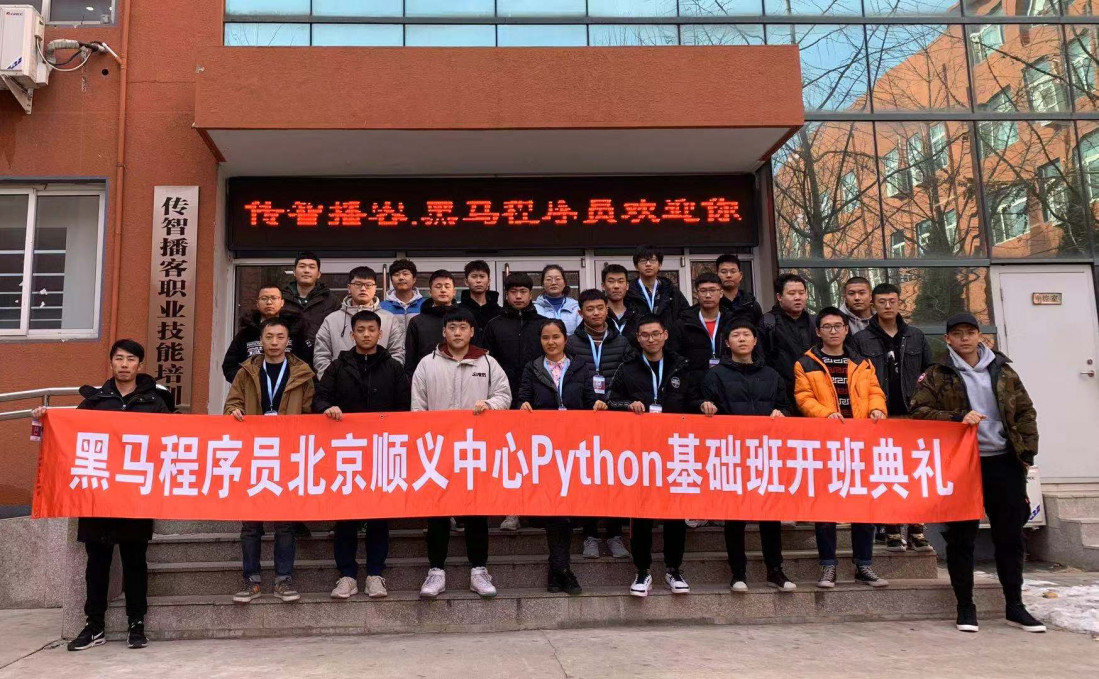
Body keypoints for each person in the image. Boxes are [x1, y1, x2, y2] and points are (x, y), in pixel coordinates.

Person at [33, 340, 173, 651]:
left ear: (140, 364)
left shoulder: (155, 401)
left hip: (135, 494)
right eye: (119, 358)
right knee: (97, 563)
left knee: (135, 561)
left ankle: (137, 624)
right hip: (97, 495)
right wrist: (45, 419)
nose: (124, 364)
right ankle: (94, 626)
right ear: (111, 363)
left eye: (131, 359)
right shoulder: (94, 401)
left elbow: (174, 439)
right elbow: (69, 434)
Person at [910, 313, 1045, 634]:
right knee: (961, 537)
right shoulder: (937, 374)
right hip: (961, 466)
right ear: (948, 339)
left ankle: (1015, 605)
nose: (965, 339)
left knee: (1010, 536)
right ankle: (965, 606)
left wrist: (1026, 454)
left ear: (979, 335)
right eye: (958, 334)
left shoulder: (1003, 370)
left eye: (970, 332)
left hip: (1004, 462)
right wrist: (957, 417)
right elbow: (919, 412)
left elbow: (1025, 411)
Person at [412, 307, 512, 599]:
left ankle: (479, 570)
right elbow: (418, 408)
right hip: (438, 450)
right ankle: (436, 571)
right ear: (444, 332)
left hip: (474, 449)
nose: (457, 333)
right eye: (452, 327)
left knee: (476, 511)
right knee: (438, 512)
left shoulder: (488, 362)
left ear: (472, 332)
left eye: (463, 327)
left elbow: (504, 396)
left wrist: (489, 405)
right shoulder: (427, 364)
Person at [314, 310, 410, 600]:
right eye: (360, 329)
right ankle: (346, 575)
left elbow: (405, 408)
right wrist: (327, 408)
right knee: (345, 515)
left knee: (379, 516)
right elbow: (320, 397)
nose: (366, 334)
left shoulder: (393, 368)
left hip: (381, 452)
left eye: (371, 329)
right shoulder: (338, 366)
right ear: (352, 333)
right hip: (346, 453)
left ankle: (375, 574)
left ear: (380, 334)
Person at [793, 307, 889, 589]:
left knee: (864, 506)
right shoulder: (806, 363)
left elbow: (875, 392)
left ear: (847, 330)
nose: (833, 331)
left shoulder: (862, 362)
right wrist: (825, 414)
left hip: (859, 443)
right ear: (818, 331)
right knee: (825, 507)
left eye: (838, 326)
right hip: (824, 444)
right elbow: (803, 397)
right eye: (827, 326)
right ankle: (828, 566)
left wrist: (877, 409)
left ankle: (864, 564)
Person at [224, 317, 315, 605]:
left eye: (280, 337)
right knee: (251, 524)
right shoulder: (246, 372)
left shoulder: (302, 373)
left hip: (288, 454)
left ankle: (283, 579)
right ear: (260, 341)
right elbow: (232, 404)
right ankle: (250, 580)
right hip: (254, 454)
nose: (274, 342)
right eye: (269, 337)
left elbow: (311, 413)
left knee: (285, 523)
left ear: (288, 341)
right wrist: (234, 412)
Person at [700, 320, 795, 592]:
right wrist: (705, 406)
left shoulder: (771, 375)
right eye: (736, 335)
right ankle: (738, 572)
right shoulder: (715, 375)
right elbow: (704, 404)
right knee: (735, 515)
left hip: (765, 453)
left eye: (746, 335)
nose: (741, 339)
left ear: (755, 341)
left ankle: (775, 570)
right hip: (732, 453)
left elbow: (785, 406)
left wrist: (781, 413)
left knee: (770, 515)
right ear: (727, 343)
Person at [606, 315, 695, 597]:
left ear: (665, 334)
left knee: (675, 512)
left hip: (675, 449)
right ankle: (642, 570)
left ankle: (673, 569)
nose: (651, 339)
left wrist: (704, 405)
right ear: (638, 338)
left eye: (656, 334)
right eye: (645, 335)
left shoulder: (681, 366)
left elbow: (693, 401)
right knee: (641, 512)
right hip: (640, 451)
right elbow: (611, 400)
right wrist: (628, 404)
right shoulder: (628, 368)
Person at [517, 319, 605, 595]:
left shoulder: (580, 366)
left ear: (565, 339)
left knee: (567, 510)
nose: (551, 342)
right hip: (545, 450)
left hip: (575, 448)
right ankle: (563, 570)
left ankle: (558, 570)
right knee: (555, 509)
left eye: (556, 337)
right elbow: (523, 397)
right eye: (545, 338)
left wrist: (597, 404)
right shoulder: (532, 367)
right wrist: (523, 405)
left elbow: (589, 398)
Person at [851, 282, 934, 552]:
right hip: (879, 416)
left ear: (900, 303)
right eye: (882, 301)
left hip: (913, 415)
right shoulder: (861, 339)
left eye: (892, 301)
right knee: (886, 472)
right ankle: (891, 528)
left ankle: (917, 528)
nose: (888, 306)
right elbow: (856, 378)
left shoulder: (916, 336)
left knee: (915, 472)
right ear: (873, 304)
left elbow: (930, 373)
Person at [565, 289, 632, 558]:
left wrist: (610, 401)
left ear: (607, 309)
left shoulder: (622, 342)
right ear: (580, 313)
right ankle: (590, 535)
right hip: (584, 418)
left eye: (600, 308)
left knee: (614, 477)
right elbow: (569, 378)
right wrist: (591, 401)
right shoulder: (571, 343)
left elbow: (627, 377)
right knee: (588, 478)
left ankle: (614, 535)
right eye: (589, 309)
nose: (595, 313)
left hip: (615, 417)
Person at [481, 272, 546, 531]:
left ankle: (538, 508)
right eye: (513, 292)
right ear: (506, 295)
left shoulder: (543, 324)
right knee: (509, 456)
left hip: (538, 400)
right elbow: (485, 364)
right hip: (503, 400)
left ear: (531, 294)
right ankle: (511, 510)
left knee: (538, 456)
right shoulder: (494, 325)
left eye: (523, 291)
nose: (518, 296)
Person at [313, 266, 405, 379]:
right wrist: (333, 380)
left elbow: (397, 353)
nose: (363, 289)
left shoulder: (389, 319)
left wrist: (385, 379)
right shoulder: (332, 320)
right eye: (358, 284)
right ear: (349, 288)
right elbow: (321, 355)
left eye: (368, 285)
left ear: (375, 288)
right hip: (341, 385)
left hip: (380, 384)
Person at [221, 283, 310, 383]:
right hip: (253, 390)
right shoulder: (246, 333)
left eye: (274, 298)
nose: (269, 302)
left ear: (282, 302)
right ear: (257, 303)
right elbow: (229, 366)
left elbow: (308, 365)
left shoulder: (295, 331)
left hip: (290, 388)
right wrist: (248, 383)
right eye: (264, 298)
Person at [759, 273, 816, 405]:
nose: (798, 297)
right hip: (781, 395)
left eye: (801, 293)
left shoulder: (815, 323)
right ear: (779, 297)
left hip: (814, 392)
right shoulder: (767, 323)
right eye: (791, 293)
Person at [677, 272, 733, 388]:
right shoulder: (683, 324)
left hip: (728, 384)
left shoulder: (732, 322)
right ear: (696, 294)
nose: (708, 295)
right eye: (703, 291)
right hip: (694, 386)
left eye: (712, 290)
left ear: (721, 293)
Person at [625, 246, 689, 347]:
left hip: (668, 346)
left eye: (652, 260)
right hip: (637, 347)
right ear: (636, 266)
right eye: (643, 261)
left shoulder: (671, 291)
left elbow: (685, 315)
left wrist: (673, 334)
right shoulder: (628, 292)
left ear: (660, 265)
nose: (648, 264)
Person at [404, 269, 458, 377]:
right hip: (426, 378)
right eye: (438, 286)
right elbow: (410, 360)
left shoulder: (465, 318)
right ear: (430, 292)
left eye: (447, 286)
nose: (443, 290)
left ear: (454, 292)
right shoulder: (417, 322)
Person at [280, 251, 342, 344]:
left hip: (320, 351)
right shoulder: (281, 298)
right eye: (302, 266)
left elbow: (338, 331)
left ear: (319, 274)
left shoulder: (331, 301)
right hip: (286, 350)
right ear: (294, 272)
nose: (306, 270)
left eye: (312, 267)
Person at [460, 259, 502, 343]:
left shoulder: (500, 312)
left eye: (482, 276)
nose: (478, 281)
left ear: (488, 281)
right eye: (474, 276)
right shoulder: (458, 310)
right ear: (466, 282)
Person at [533, 264, 582, 335]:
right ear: (542, 284)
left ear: (564, 283)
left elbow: (581, 334)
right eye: (549, 279)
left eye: (558, 279)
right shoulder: (535, 309)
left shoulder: (576, 307)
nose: (553, 283)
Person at [715, 254, 763, 326]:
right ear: (717, 275)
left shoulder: (751, 304)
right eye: (724, 272)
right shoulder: (712, 302)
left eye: (733, 271)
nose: (728, 275)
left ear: (740, 275)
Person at [380, 258, 424, 335]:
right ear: (391, 281)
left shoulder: (425, 305)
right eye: (396, 275)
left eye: (405, 274)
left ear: (414, 279)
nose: (401, 277)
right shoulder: (381, 307)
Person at [602, 263, 639, 338]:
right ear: (603, 286)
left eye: (621, 281)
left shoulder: (637, 314)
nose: (616, 286)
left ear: (627, 286)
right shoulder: (598, 314)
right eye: (611, 281)